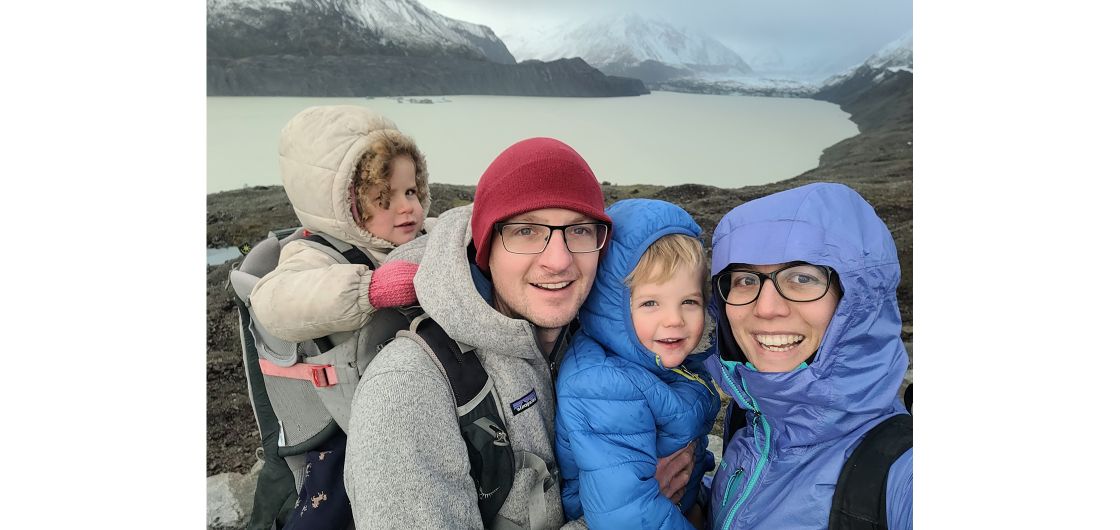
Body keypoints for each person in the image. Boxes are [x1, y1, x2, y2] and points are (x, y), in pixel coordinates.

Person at [344, 138, 696, 529]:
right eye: (527, 231)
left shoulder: (608, 337)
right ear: (486, 245)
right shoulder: (408, 390)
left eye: (578, 230)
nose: (559, 260)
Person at [248, 105, 432, 528]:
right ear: (342, 206)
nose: (406, 208)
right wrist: (368, 289)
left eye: (411, 191)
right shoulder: (312, 253)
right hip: (351, 417)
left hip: (419, 395)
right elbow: (274, 300)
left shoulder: (422, 234)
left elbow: (459, 232)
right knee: (330, 504)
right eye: (383, 198)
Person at [704, 182, 912, 529]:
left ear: (860, 300)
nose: (766, 308)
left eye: (802, 277)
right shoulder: (753, 423)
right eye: (744, 280)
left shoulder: (903, 475)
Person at [554, 199, 721, 529]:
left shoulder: (660, 360)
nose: (674, 320)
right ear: (612, 305)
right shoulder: (604, 384)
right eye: (650, 303)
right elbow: (629, 518)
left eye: (689, 301)